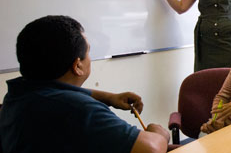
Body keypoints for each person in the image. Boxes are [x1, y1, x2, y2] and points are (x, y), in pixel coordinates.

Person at [0, 16, 170, 153]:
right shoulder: (78, 110)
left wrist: (109, 97)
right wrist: (159, 134)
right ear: (77, 66)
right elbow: (151, 149)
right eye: (88, 51)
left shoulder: (17, 95)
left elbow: (58, 93)